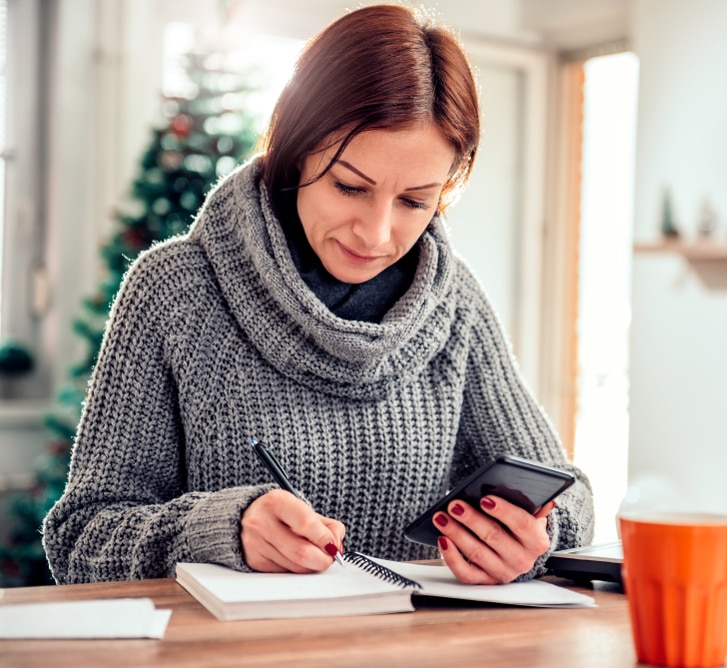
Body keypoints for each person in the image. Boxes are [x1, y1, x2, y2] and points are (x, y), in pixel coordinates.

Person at [43, 3, 594, 586]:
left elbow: (569, 494)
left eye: (414, 201)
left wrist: (535, 538)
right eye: (349, 186)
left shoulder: (455, 305)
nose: (377, 234)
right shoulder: (175, 292)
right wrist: (220, 529)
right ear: (296, 147)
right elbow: (81, 538)